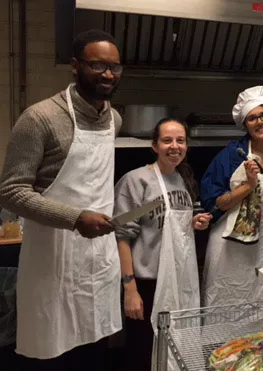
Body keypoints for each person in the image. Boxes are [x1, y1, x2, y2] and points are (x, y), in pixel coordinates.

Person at [0, 30, 123, 370]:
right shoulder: (40, 118)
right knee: (54, 356)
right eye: (97, 65)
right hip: (52, 262)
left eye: (114, 67)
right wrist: (75, 218)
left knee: (96, 352)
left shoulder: (113, 119)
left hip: (99, 262)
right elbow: (12, 191)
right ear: (74, 66)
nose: (108, 74)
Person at [114, 118, 212, 371]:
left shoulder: (183, 179)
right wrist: (130, 289)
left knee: (176, 348)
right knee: (143, 351)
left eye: (180, 140)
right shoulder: (136, 181)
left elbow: (165, 223)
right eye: (167, 140)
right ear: (154, 145)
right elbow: (122, 235)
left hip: (180, 280)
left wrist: (193, 222)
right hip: (147, 282)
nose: (174, 146)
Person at [200, 86, 263, 306]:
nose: (259, 122)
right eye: (252, 118)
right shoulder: (230, 155)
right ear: (245, 124)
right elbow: (213, 203)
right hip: (230, 248)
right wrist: (248, 186)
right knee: (228, 301)